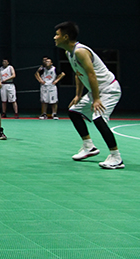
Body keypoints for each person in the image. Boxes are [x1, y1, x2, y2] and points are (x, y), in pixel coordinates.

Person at [54, 21, 124, 169]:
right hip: (96, 90)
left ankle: (116, 157)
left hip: (109, 89)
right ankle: (89, 147)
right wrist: (78, 95)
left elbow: (91, 74)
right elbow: (78, 74)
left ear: (65, 37)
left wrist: (96, 99)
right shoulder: (69, 53)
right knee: (74, 111)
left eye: (57, 35)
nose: (55, 37)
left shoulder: (80, 51)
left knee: (99, 118)